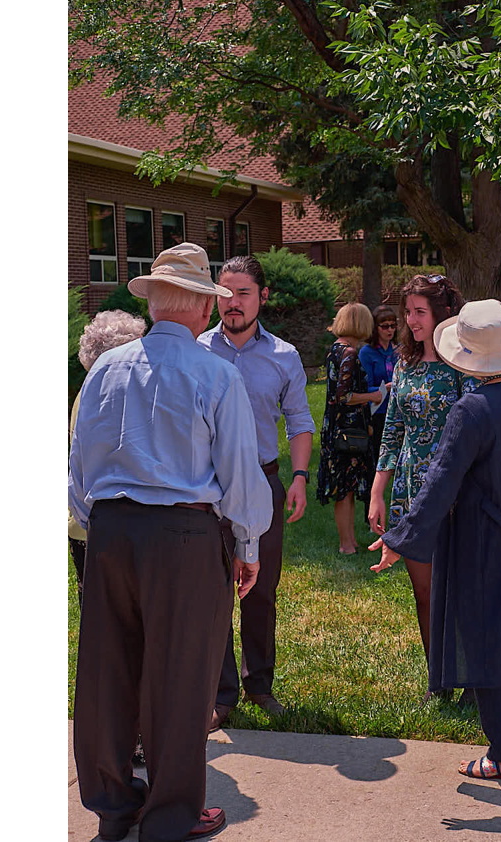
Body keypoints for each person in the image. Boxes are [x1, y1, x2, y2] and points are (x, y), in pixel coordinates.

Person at [69, 242, 273, 842]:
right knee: (182, 677)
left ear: (156, 304)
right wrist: (248, 545)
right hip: (183, 534)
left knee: (108, 669)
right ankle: (170, 815)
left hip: (109, 531)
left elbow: (79, 466)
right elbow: (240, 472)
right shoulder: (216, 372)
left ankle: (113, 804)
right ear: (204, 310)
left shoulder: (104, 368)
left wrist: (102, 523)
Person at [369, 299, 501, 782]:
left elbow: (439, 483)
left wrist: (401, 537)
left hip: (482, 544)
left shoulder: (470, 410)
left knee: (484, 640)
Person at [198, 254, 315, 729]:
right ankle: (221, 694)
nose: (233, 303)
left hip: (264, 481)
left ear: (263, 297)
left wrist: (301, 477)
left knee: (260, 589)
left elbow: (300, 423)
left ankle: (259, 684)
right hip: (207, 486)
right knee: (214, 591)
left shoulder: (284, 356)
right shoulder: (198, 351)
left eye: (243, 293)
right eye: (225, 294)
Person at [366, 274, 479, 694]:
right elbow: (393, 428)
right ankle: (440, 679)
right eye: (408, 312)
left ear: (442, 314)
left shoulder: (464, 366)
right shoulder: (405, 364)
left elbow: (473, 428)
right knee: (425, 592)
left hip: (456, 489)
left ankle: (472, 677)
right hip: (410, 490)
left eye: (419, 312)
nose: (411, 321)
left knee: (462, 591)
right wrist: (379, 490)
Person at [69, 309, 148, 609]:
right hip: (107, 523)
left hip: (86, 522)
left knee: (97, 614)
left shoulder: (86, 392)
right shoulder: (112, 395)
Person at [316, 302, 381, 554]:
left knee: (348, 487)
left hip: (337, 426)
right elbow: (344, 396)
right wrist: (373, 396)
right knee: (344, 489)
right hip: (347, 431)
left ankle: (351, 540)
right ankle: (346, 545)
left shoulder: (335, 349)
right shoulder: (350, 354)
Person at [358, 304, 397, 492]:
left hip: (397, 410)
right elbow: (365, 387)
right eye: (385, 326)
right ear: (376, 328)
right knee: (377, 461)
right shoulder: (367, 353)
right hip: (377, 412)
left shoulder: (398, 351)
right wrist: (387, 388)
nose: (390, 330)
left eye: (393, 325)